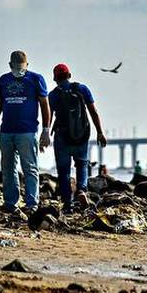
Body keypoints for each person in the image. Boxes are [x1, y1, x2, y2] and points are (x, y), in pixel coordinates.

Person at [0, 51, 51, 219]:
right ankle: (10, 203)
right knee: (8, 169)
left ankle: (31, 204)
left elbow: (44, 104)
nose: (19, 71)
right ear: (10, 65)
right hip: (6, 132)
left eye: (22, 68)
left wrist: (46, 129)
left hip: (27, 132)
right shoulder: (3, 80)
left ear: (27, 65)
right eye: (16, 68)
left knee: (30, 168)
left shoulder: (36, 79)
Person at [48, 63, 107, 213]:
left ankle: (68, 204)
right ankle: (81, 190)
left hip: (62, 136)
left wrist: (45, 134)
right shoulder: (82, 89)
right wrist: (100, 132)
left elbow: (48, 118)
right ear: (69, 75)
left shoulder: (53, 95)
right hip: (81, 135)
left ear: (55, 78)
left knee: (64, 171)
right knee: (82, 164)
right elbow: (93, 112)